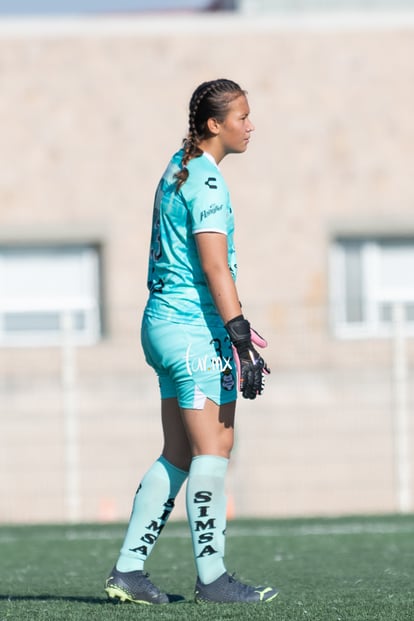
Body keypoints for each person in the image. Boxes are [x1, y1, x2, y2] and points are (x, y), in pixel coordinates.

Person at [104, 78, 277, 605]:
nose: (250, 125)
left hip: (160, 326)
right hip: (192, 331)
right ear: (213, 125)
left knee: (179, 451)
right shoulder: (206, 182)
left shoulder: (175, 170)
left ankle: (129, 571)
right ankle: (213, 578)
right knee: (215, 447)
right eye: (241, 117)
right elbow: (213, 265)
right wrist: (241, 335)